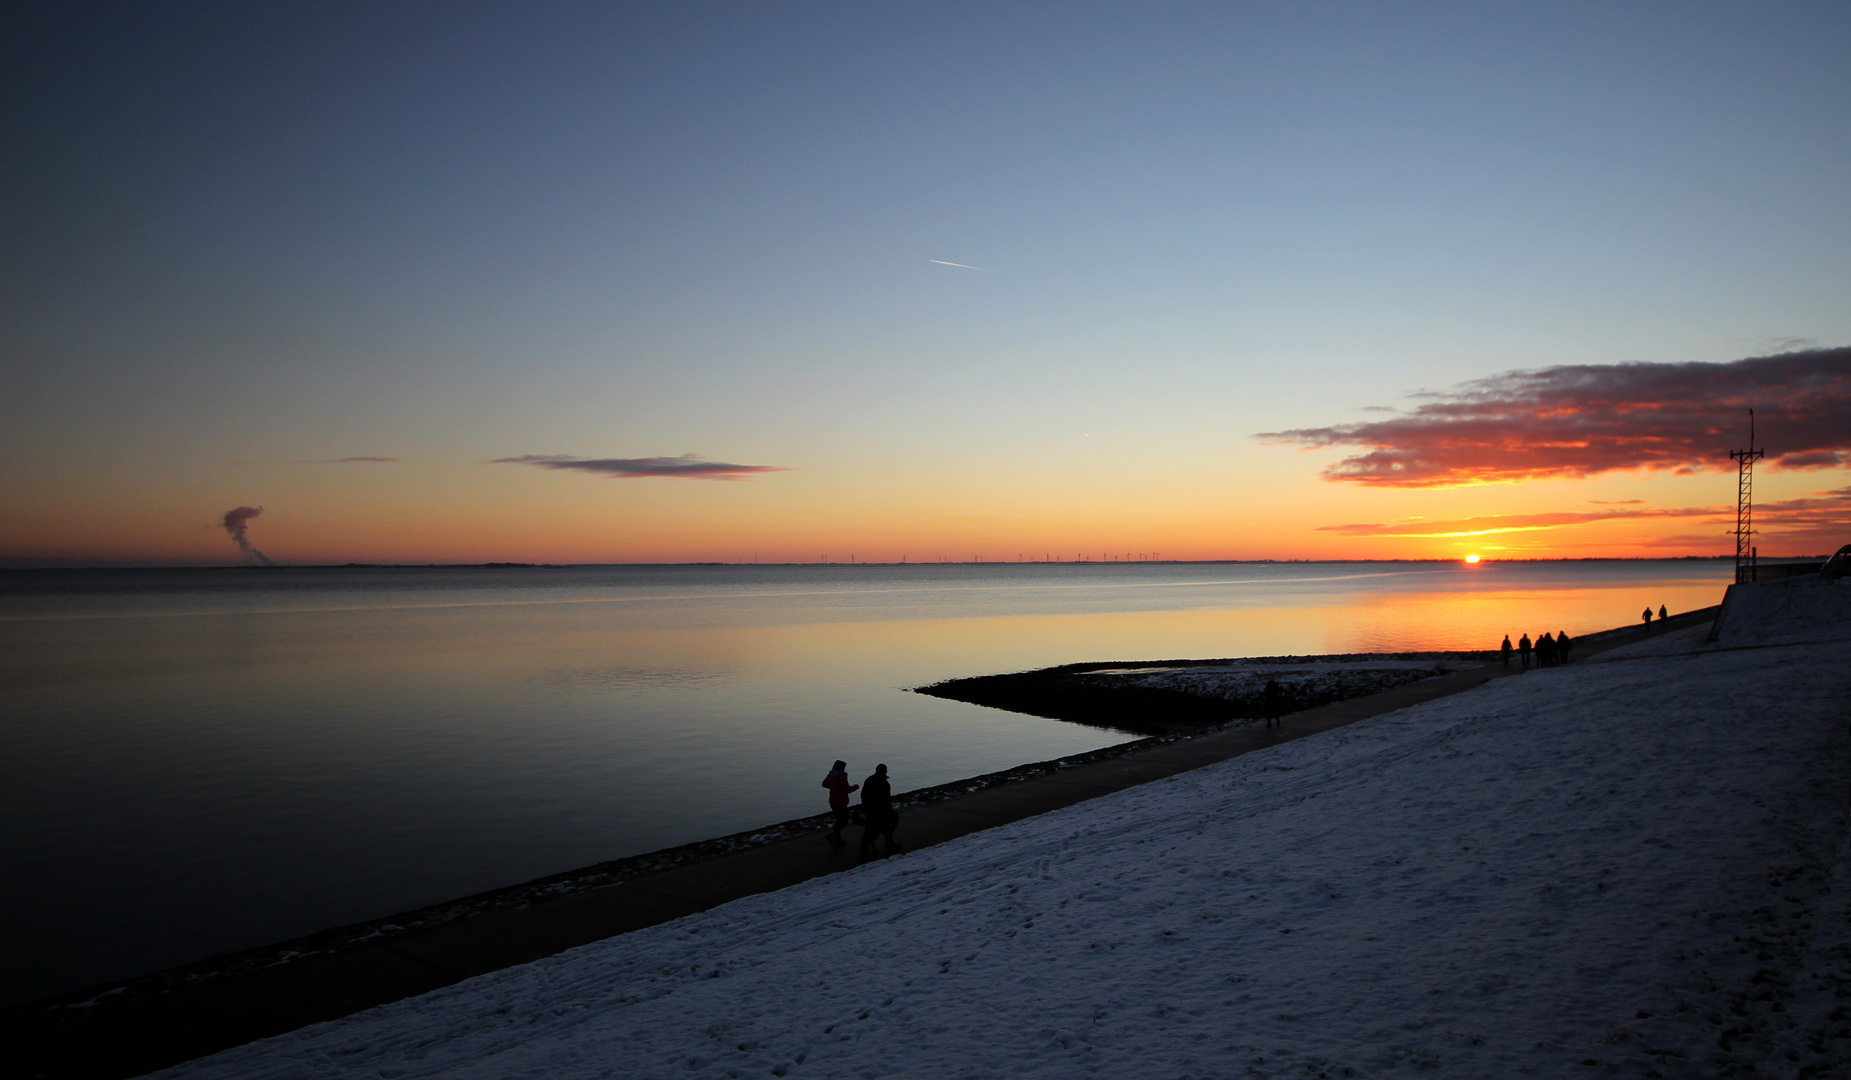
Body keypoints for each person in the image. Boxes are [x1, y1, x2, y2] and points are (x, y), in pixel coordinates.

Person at [858, 763, 899, 857]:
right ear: (885, 771)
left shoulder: (869, 780)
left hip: (871, 810)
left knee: (873, 830)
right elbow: (886, 800)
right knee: (883, 828)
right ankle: (864, 852)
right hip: (881, 811)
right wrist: (890, 811)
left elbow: (864, 796)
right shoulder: (885, 783)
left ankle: (864, 851)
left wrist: (865, 808)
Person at [820, 760, 859, 848]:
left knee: (839, 820)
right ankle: (833, 835)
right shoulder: (841, 777)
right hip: (841, 802)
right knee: (844, 820)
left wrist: (833, 787)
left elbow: (824, 784)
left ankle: (837, 839)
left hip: (833, 801)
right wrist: (856, 787)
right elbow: (848, 790)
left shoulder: (831, 775)